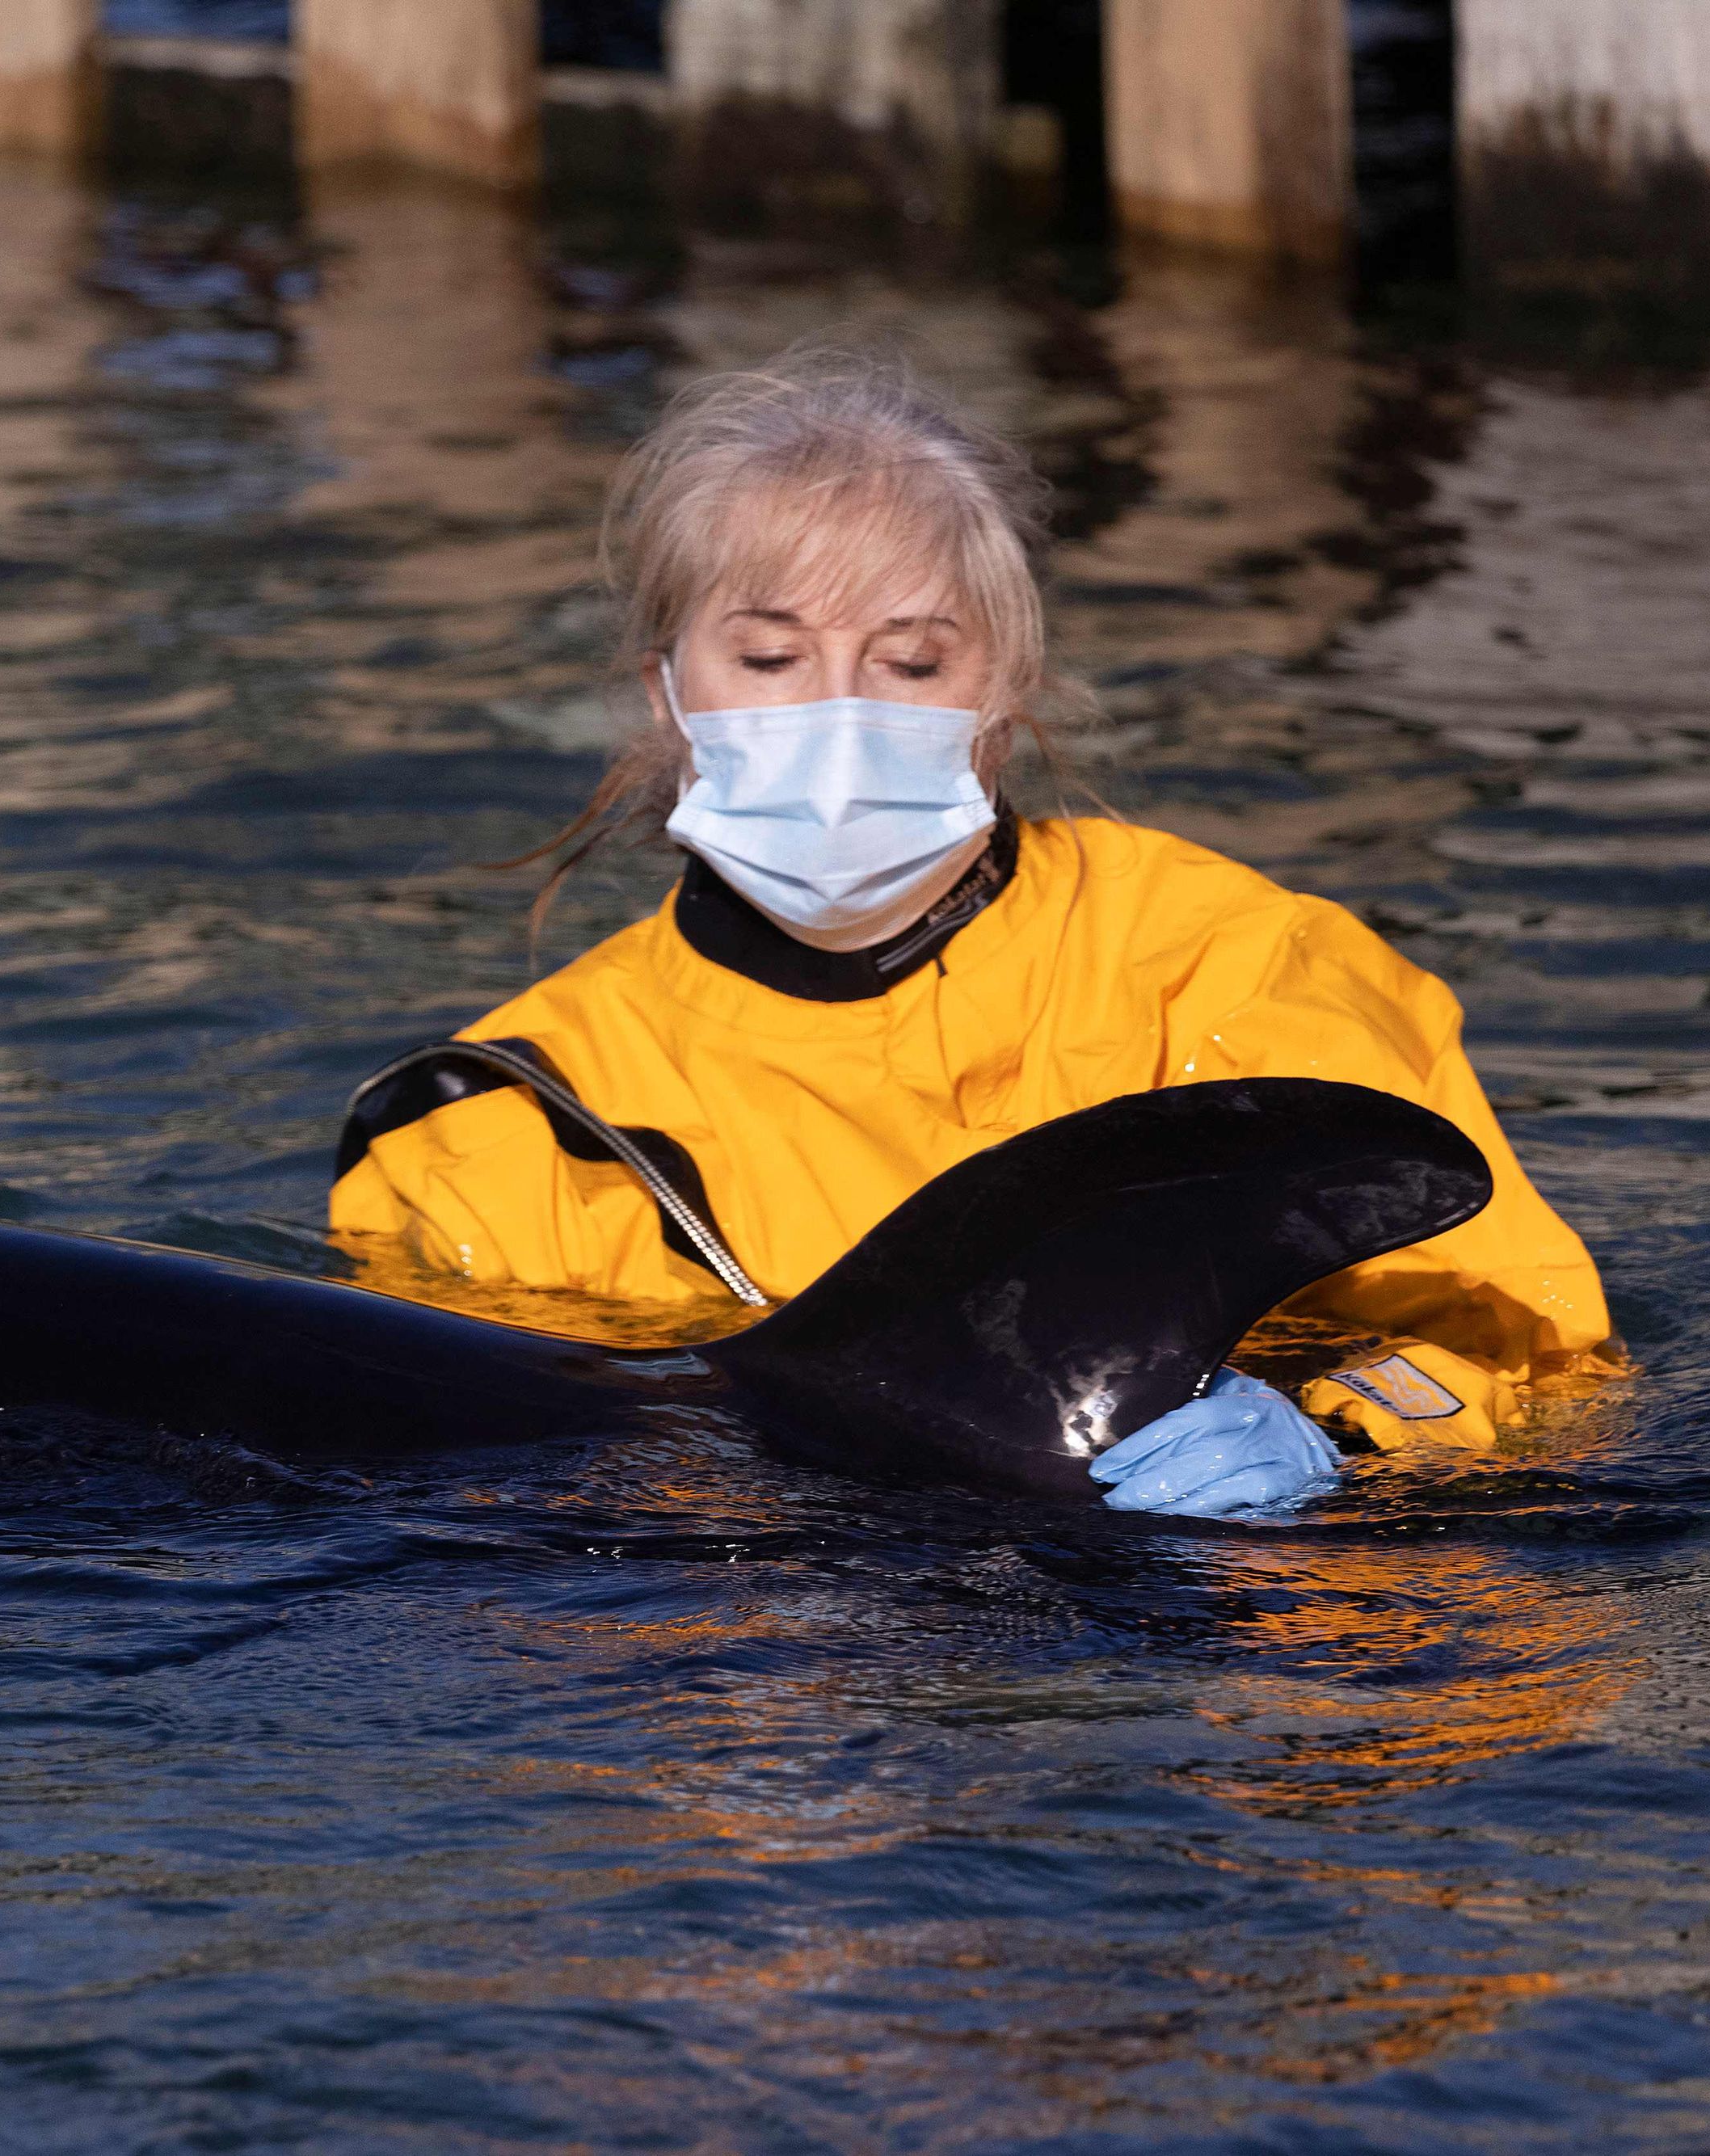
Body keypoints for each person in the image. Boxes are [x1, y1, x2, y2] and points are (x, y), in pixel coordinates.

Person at [327, 348, 1618, 1518]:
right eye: (770, 662)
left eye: (911, 663)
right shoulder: (489, 1135)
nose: (837, 715)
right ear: (669, 689)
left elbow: (1522, 1324)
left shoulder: (1229, 964)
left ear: (1006, 685)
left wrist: (1354, 1439)